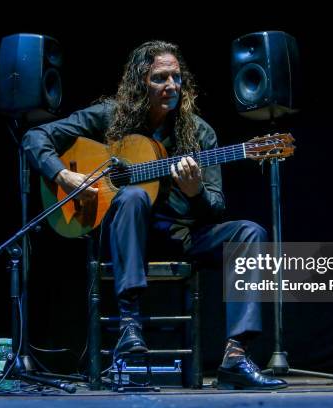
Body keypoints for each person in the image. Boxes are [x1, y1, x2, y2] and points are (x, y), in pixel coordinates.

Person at [22, 40, 287, 390]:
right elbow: (35, 136)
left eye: (176, 78)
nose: (171, 86)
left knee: (250, 232)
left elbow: (216, 206)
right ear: (140, 82)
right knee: (132, 195)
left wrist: (195, 194)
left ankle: (235, 356)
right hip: (127, 236)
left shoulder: (200, 132)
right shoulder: (109, 116)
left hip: (182, 235)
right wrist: (64, 175)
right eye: (160, 78)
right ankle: (130, 325)